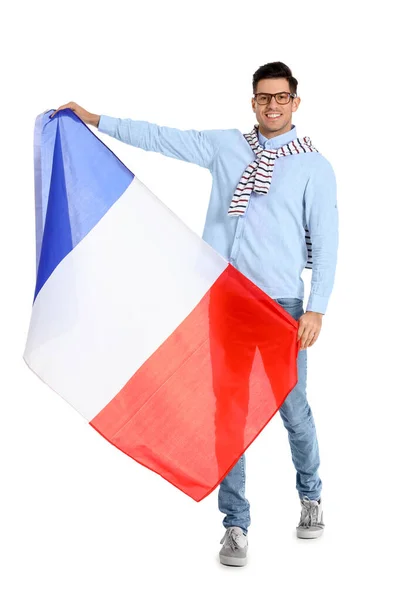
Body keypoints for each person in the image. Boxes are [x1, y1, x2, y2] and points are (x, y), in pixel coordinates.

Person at [50, 61, 338, 567]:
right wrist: (96, 120)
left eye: (282, 97)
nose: (273, 105)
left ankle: (310, 496)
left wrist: (316, 308)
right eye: (264, 97)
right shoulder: (226, 146)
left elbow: (329, 241)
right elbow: (163, 137)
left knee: (294, 410)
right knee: (227, 411)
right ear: (253, 103)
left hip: (282, 309)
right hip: (227, 301)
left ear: (296, 102)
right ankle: (235, 525)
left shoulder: (314, 166)